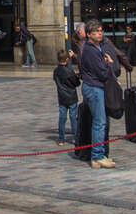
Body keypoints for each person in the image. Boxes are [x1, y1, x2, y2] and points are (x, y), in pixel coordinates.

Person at [76, 21, 121, 168]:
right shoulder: (90, 50)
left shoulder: (97, 48)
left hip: (95, 87)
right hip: (94, 88)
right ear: (88, 34)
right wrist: (109, 65)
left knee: (99, 122)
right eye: (96, 32)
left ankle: (99, 154)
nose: (99, 33)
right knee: (99, 123)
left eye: (101, 31)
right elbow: (101, 73)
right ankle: (97, 156)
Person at [52, 47, 81, 147]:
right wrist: (77, 77)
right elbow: (76, 83)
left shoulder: (56, 71)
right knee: (73, 118)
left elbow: (57, 81)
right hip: (72, 97)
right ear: (67, 60)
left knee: (62, 118)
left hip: (62, 97)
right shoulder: (69, 71)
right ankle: (77, 139)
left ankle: (61, 139)